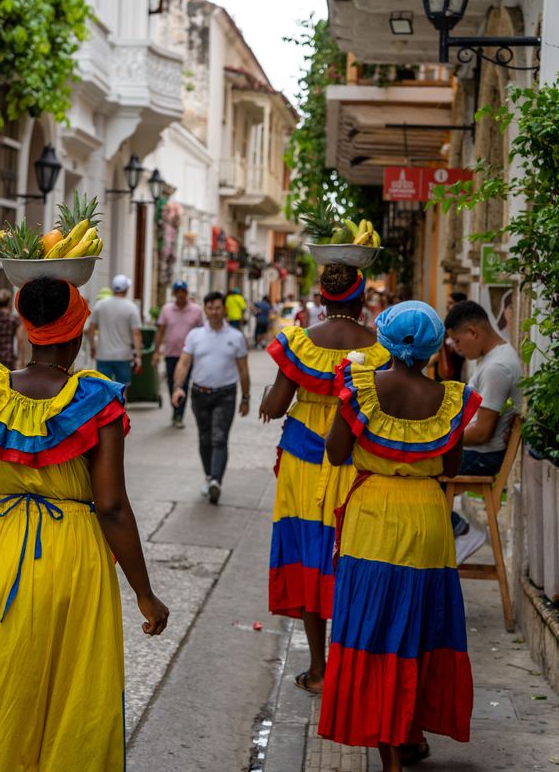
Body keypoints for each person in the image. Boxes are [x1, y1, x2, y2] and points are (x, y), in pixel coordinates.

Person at [0, 276, 168, 772]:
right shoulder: (97, 401)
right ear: (78, 332)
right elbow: (111, 506)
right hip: (70, 556)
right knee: (64, 686)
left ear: (27, 329)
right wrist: (143, 592)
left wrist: (16, 466)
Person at [318, 301, 482, 772]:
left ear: (384, 343)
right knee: (418, 630)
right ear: (433, 350)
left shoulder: (361, 389)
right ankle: (408, 737)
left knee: (375, 630)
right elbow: (451, 468)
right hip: (428, 521)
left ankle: (388, 753)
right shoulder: (451, 399)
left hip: (373, 524)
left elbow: (335, 453)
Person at [259, 264, 391, 696]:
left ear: (322, 299)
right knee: (348, 552)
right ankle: (353, 672)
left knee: (307, 551)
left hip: (301, 459)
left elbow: (277, 405)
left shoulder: (300, 342)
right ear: (360, 301)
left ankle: (318, 669)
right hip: (351, 456)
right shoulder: (378, 348)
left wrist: (266, 398)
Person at [444, 299, 522, 563]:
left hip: (481, 457)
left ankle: (461, 531)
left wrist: (438, 438)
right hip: (476, 452)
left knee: (413, 474)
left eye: (456, 341)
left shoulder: (496, 368)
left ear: (474, 332)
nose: (455, 348)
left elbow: (482, 432)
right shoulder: (491, 358)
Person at [170, 291, 250, 504]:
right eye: (210, 308)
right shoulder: (195, 336)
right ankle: (209, 475)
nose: (214, 312)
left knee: (219, 438)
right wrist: (178, 387)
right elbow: (183, 363)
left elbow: (243, 370)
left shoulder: (236, 337)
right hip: (199, 394)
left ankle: (216, 481)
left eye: (218, 307)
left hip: (226, 394)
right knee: (205, 438)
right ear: (205, 310)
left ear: (224, 309)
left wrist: (246, 398)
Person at [152, 280, 203, 428]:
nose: (181, 294)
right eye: (178, 291)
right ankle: (175, 409)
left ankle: (179, 415)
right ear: (174, 293)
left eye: (183, 291)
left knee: (184, 384)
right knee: (170, 384)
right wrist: (156, 352)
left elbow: (201, 332)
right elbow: (160, 331)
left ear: (187, 293)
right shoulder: (167, 309)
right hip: (170, 354)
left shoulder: (196, 310)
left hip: (188, 355)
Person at [88, 273, 142, 388]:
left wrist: (93, 347)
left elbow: (91, 329)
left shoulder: (100, 305)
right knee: (122, 389)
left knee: (104, 389)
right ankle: (121, 407)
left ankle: (107, 406)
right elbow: (136, 333)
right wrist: (138, 355)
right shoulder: (131, 307)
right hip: (123, 356)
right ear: (126, 289)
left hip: (103, 355)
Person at [0, 288, 26, 370]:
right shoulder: (13, 319)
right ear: (9, 303)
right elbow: (20, 340)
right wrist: (22, 360)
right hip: (8, 359)